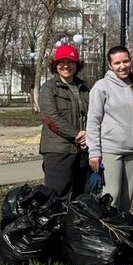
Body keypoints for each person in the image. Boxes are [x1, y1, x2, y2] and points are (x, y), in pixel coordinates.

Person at [86, 46, 133, 212]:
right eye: (117, 63)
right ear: (110, 66)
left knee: (126, 198)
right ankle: (105, 232)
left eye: (125, 61)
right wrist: (94, 152)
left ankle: (121, 233)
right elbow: (93, 120)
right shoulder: (101, 86)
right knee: (112, 195)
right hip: (111, 149)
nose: (122, 66)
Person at [38, 44, 90, 200]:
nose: (66, 66)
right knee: (57, 196)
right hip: (58, 150)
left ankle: (74, 224)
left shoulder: (84, 88)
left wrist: (89, 135)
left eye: (71, 62)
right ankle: (57, 224)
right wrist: (77, 134)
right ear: (55, 65)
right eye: (61, 62)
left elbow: (92, 115)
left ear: (77, 64)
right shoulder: (49, 88)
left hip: (83, 150)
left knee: (81, 197)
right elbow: (51, 117)